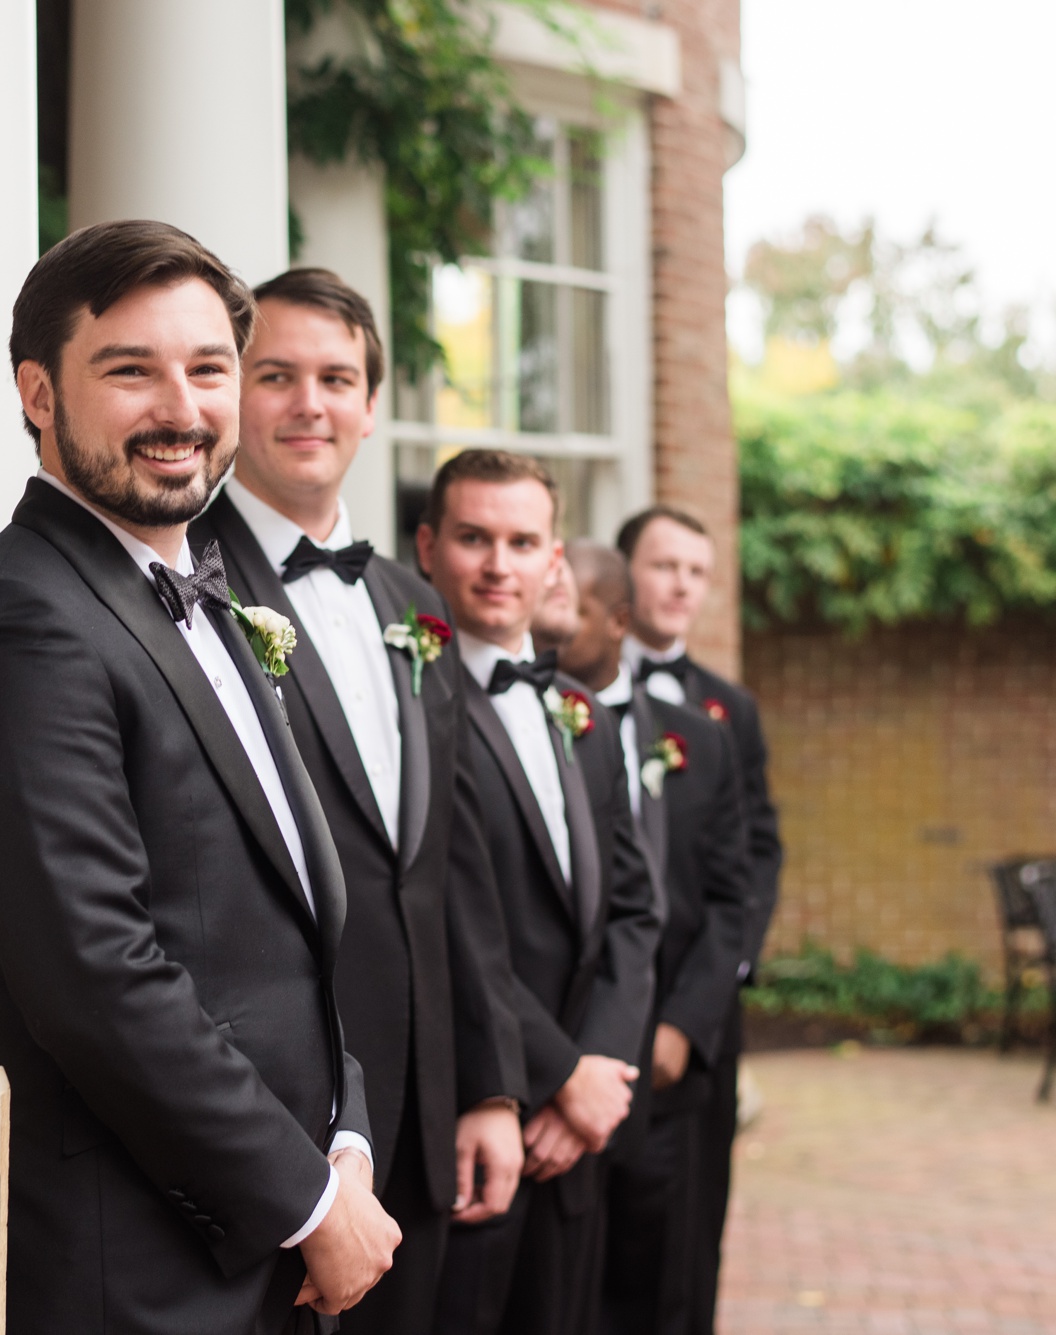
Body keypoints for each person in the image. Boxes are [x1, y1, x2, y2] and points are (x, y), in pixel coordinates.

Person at [0, 222, 400, 1335]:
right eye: (129, 370)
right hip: (124, 1268)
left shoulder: (199, 592)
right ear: (38, 392)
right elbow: (96, 976)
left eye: (207, 368)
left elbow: (286, 928)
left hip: (258, 1239)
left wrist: (343, 1136)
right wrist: (309, 1198)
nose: (180, 409)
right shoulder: (18, 623)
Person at [187, 268, 526, 1335]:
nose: (308, 403)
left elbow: (446, 868)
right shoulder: (183, 588)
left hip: (422, 1118)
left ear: (370, 407)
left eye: (336, 378)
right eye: (274, 374)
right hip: (282, 1128)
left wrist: (488, 1084)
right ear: (233, 394)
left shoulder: (410, 606)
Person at [418, 451, 659, 1335]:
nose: (497, 564)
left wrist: (598, 1074)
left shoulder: (580, 711)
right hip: (473, 1119)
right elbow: (435, 918)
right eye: (475, 538)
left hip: (582, 1130)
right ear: (429, 548)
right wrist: (552, 1074)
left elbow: (635, 909)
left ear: (554, 560)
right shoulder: (410, 704)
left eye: (522, 542)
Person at [552, 542, 751, 1335]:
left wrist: (682, 1025)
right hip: (563, 1057)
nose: (553, 626)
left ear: (618, 621)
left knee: (661, 1273)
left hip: (668, 1063)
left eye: (572, 613)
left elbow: (734, 892)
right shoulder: (533, 718)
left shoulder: (697, 737)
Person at [615, 506, 783, 1333]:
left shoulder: (729, 710)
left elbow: (756, 859)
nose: (681, 584)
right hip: (597, 1015)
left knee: (686, 1239)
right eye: (663, 565)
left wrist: (698, 1007)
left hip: (699, 1008)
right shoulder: (571, 688)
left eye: (695, 570)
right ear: (622, 575)